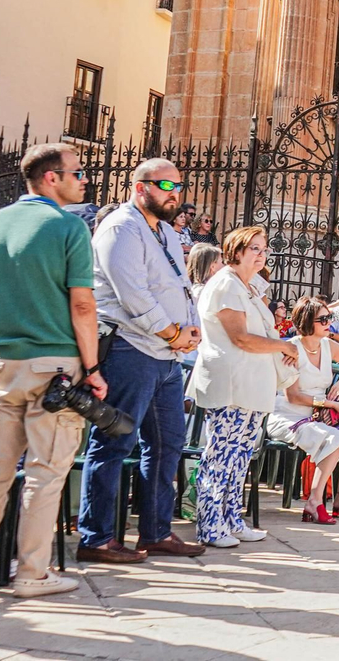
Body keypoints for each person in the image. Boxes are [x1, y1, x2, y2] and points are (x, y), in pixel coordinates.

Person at [0, 144, 102, 598]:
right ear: (51, 178)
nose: (84, 181)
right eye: (78, 173)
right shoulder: (67, 228)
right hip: (54, 365)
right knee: (46, 470)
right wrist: (93, 368)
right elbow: (82, 304)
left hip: (3, 363)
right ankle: (32, 572)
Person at [79, 159, 206, 564]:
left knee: (168, 443)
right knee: (115, 442)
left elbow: (181, 287)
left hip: (166, 357)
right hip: (130, 350)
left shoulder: (167, 231)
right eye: (166, 184)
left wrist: (192, 330)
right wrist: (171, 332)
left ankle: (155, 532)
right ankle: (96, 537)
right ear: (139, 187)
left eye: (179, 185)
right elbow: (132, 293)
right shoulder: (120, 228)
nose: (175, 192)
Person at [187, 225, 297, 546]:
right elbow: (240, 338)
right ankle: (210, 524)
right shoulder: (225, 284)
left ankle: (232, 518)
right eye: (255, 249)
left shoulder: (246, 287)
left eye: (264, 249)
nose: (262, 255)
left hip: (252, 383)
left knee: (241, 455)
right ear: (236, 251)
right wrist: (283, 347)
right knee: (221, 454)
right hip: (230, 382)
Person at [266, 298, 339, 523]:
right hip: (289, 414)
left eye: (329, 318)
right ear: (306, 322)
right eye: (322, 319)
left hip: (316, 415)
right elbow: (292, 396)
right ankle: (314, 501)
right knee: (335, 439)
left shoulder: (327, 345)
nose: (328, 323)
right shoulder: (292, 349)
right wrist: (332, 404)